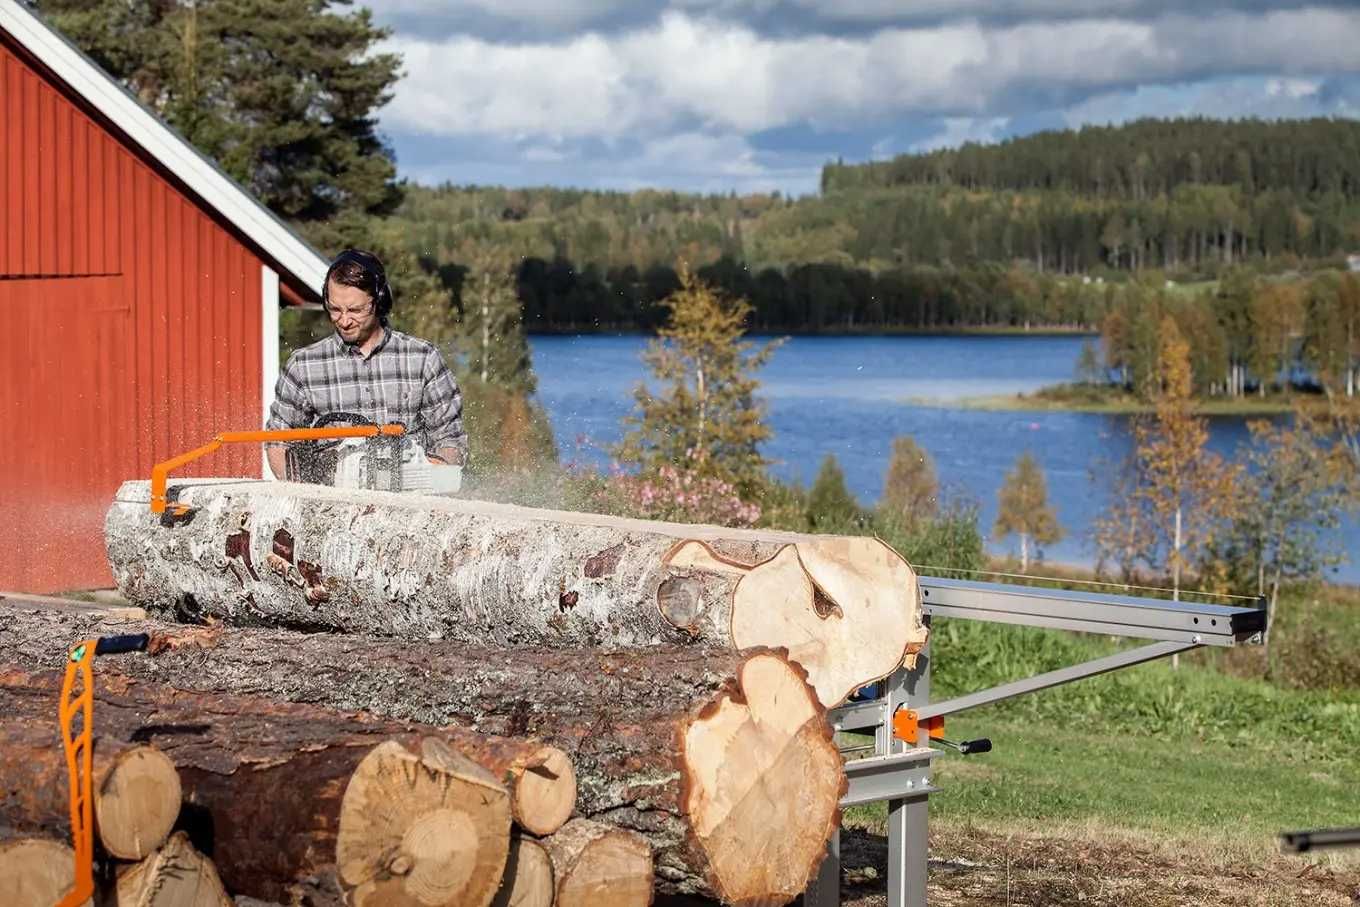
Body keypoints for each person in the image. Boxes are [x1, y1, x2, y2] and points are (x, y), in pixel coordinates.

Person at [265, 249, 467, 478]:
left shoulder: (423, 359)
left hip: (410, 501)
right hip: (334, 505)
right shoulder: (303, 366)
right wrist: (308, 492)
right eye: (334, 309)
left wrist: (434, 471)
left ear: (379, 301)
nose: (344, 320)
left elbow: (451, 439)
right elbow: (278, 441)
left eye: (355, 310)